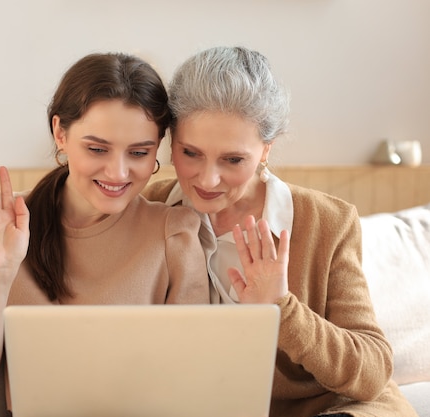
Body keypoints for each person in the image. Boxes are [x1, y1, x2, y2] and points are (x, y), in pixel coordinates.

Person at [141, 46, 418, 417]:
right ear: (170, 141)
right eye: (190, 153)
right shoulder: (148, 210)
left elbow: (370, 372)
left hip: (328, 407)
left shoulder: (326, 222)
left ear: (266, 150)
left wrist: (282, 309)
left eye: (233, 159)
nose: (207, 179)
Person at [0, 52, 211, 404]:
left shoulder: (175, 234)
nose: (117, 173)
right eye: (97, 149)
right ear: (60, 132)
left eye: (139, 153)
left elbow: (196, 377)